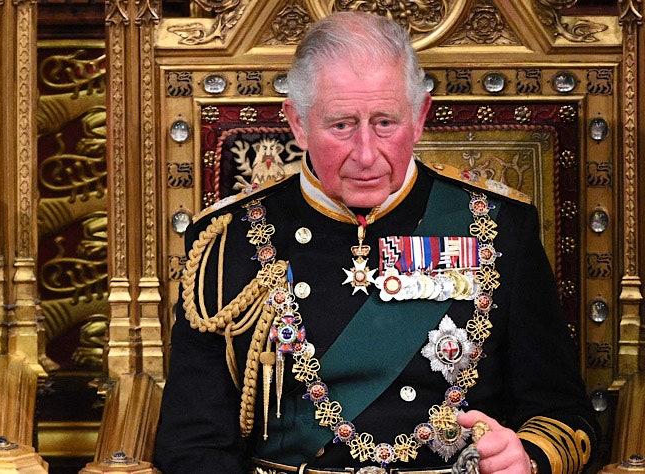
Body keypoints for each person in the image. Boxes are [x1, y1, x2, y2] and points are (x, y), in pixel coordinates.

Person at [154, 12, 596, 474]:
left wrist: (524, 457)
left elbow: (565, 416)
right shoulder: (230, 240)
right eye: (341, 125)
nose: (366, 154)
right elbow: (192, 443)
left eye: (386, 122)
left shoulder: (500, 229)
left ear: (420, 117)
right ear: (298, 123)